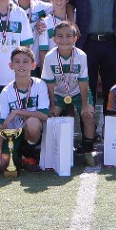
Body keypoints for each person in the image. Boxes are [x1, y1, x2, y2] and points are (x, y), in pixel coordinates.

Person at [43, 21, 97, 155]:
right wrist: (51, 105)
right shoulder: (49, 57)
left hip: (78, 91)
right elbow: (49, 83)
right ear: (54, 39)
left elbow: (83, 81)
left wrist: (85, 105)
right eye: (60, 36)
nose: (64, 40)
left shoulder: (81, 55)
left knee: (88, 115)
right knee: (50, 116)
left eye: (68, 36)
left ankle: (88, 148)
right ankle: (52, 150)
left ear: (75, 39)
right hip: (58, 93)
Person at [0, 47, 49, 172]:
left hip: (33, 133)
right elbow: (2, 124)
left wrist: (17, 111)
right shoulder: (6, 92)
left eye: (25, 61)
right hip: (13, 135)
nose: (21, 65)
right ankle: (18, 157)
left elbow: (44, 116)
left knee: (32, 122)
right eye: (17, 61)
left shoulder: (40, 85)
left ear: (33, 65)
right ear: (11, 66)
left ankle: (28, 154)